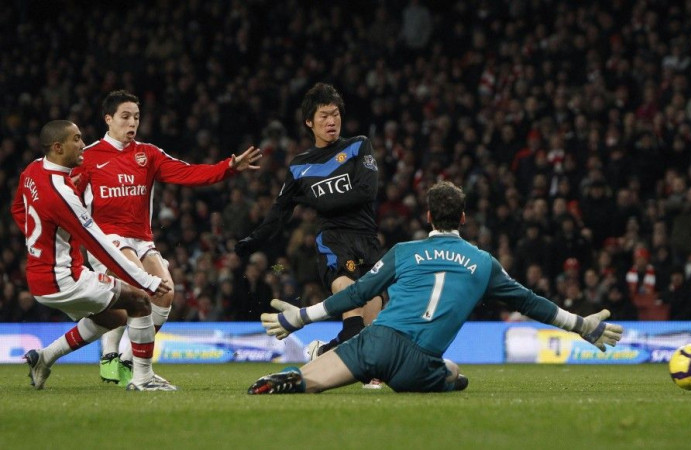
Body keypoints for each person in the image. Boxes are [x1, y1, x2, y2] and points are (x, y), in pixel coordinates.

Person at [247, 181, 623, 394]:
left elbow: (357, 294)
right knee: (453, 372)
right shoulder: (483, 263)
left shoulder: (404, 252)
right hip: (417, 362)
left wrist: (301, 316)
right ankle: (444, 378)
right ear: (462, 218)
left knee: (309, 379)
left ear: (428, 217)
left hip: (375, 341)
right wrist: (581, 325)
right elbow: (530, 302)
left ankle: (290, 380)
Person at [74, 90, 262, 385]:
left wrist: (227, 167)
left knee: (165, 293)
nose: (132, 123)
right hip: (106, 239)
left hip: (141, 239)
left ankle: (124, 360)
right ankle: (121, 362)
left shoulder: (147, 155)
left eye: (136, 117)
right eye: (125, 117)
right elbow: (63, 199)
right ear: (108, 119)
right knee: (137, 286)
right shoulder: (88, 158)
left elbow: (187, 173)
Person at [234, 83, 383, 381]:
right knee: (350, 296)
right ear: (309, 122)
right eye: (325, 116)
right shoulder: (300, 166)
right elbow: (280, 211)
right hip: (334, 241)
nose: (332, 121)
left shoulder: (358, 145)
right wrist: (255, 239)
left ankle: (324, 352)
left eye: (336, 114)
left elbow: (367, 191)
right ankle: (350, 368)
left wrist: (322, 201)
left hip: (367, 240)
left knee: (373, 334)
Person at [11, 120, 175, 391]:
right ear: (58, 147)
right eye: (76, 139)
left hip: (41, 277)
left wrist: (37, 241)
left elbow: (18, 208)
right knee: (141, 301)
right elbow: (101, 247)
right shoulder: (61, 194)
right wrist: (147, 281)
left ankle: (43, 358)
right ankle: (143, 379)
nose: (83, 144)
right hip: (65, 279)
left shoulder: (32, 170)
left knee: (115, 318)